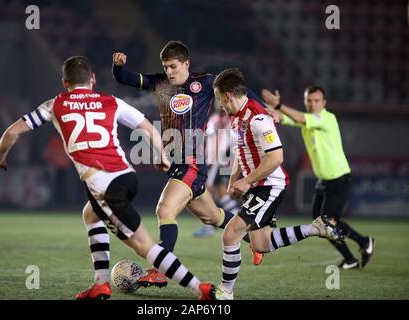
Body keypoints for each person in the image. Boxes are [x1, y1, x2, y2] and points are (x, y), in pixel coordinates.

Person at [0, 56, 215, 300]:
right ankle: (101, 283)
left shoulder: (55, 104)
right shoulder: (110, 101)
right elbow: (146, 126)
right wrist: (161, 156)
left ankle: (200, 288)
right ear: (93, 79)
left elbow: (11, 132)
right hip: (126, 177)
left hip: (106, 188)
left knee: (143, 245)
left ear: (65, 83)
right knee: (90, 214)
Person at [112, 41, 263, 288]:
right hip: (177, 165)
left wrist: (264, 110)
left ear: (186, 64)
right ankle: (257, 240)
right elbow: (125, 78)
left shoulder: (204, 82)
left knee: (165, 210)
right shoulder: (159, 82)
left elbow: (240, 90)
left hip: (192, 164)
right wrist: (117, 67)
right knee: (213, 217)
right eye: (166, 67)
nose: (169, 72)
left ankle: (160, 270)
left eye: (173, 66)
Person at [206, 68, 344, 300]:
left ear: (228, 96)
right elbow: (241, 152)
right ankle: (315, 228)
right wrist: (234, 181)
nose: (220, 105)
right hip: (258, 185)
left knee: (231, 235)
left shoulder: (259, 119)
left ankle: (225, 291)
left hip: (269, 185)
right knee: (261, 244)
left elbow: (276, 157)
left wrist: (247, 181)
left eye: (220, 100)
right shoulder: (237, 116)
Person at [262, 86, 375, 270]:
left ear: (324, 103)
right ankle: (350, 259)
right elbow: (285, 117)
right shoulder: (308, 121)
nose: (312, 104)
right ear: (305, 101)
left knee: (327, 222)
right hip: (323, 180)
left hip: (339, 178)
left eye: (316, 100)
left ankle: (364, 241)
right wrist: (263, 109)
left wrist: (280, 105)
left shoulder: (327, 118)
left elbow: (297, 117)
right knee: (319, 223)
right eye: (309, 100)